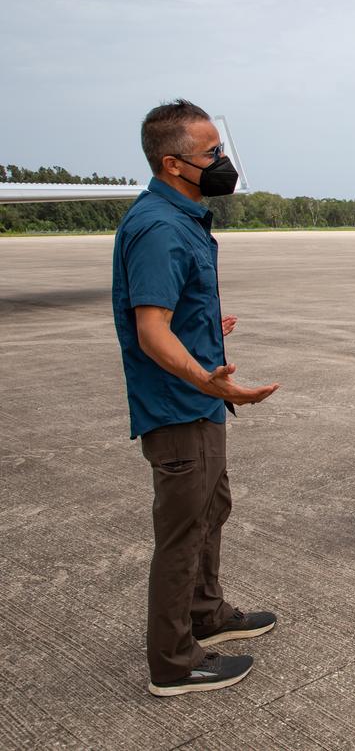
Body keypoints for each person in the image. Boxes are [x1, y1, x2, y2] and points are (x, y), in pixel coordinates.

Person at [113, 99, 280, 696]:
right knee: (181, 533)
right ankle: (173, 662)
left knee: (212, 510)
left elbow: (172, 314)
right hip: (179, 406)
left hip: (198, 401)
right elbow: (151, 330)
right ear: (172, 163)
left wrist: (208, 325)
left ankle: (205, 615)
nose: (223, 161)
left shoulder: (181, 218)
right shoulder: (159, 226)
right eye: (210, 154)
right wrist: (208, 378)